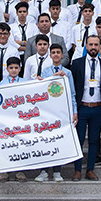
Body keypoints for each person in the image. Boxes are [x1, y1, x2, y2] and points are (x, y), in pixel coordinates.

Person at [36, 44, 77, 181]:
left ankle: (57, 172)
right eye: (53, 52)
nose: (56, 55)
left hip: (62, 112)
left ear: (62, 55)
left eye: (58, 52)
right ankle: (43, 171)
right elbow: (42, 91)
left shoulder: (68, 73)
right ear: (50, 55)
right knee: (45, 142)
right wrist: (52, 78)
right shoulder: (45, 71)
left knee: (58, 141)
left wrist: (74, 111)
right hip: (47, 112)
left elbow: (72, 93)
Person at [71, 35, 101, 180]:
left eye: (96, 45)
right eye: (91, 44)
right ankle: (77, 169)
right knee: (79, 139)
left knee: (94, 140)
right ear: (86, 46)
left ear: (99, 47)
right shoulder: (77, 63)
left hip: (98, 107)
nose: (93, 47)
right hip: (82, 107)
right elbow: (72, 86)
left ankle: (90, 169)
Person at [0, 56, 27, 182]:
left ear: (20, 69)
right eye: (11, 68)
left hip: (20, 118)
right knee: (6, 144)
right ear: (7, 69)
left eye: (16, 68)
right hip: (6, 119)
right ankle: (4, 171)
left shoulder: (25, 82)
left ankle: (20, 170)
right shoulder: (2, 83)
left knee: (20, 144)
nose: (13, 70)